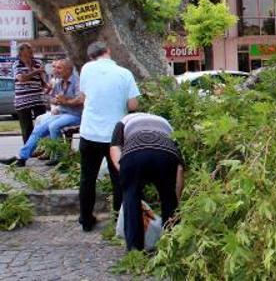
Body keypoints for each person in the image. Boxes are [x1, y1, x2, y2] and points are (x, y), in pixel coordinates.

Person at [77, 41, 140, 232]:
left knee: (87, 177)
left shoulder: (86, 69)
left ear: (91, 56)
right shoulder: (124, 73)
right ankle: (118, 219)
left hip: (89, 133)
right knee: (118, 178)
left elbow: (84, 95)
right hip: (115, 136)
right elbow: (133, 105)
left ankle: (86, 219)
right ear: (108, 52)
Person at [110, 112, 185, 251]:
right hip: (165, 154)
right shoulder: (166, 124)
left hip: (134, 155)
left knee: (131, 198)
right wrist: (176, 200)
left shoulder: (124, 120)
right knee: (168, 198)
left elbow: (114, 148)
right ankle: (172, 245)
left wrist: (126, 175)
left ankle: (134, 250)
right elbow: (179, 169)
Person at [0, 59, 83, 167]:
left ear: (68, 70)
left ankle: (60, 157)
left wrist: (65, 101)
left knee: (54, 126)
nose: (55, 70)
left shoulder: (77, 82)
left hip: (76, 115)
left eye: (59, 68)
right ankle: (21, 158)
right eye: (55, 67)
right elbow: (51, 98)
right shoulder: (59, 83)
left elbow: (81, 100)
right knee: (39, 128)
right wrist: (55, 101)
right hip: (62, 113)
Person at [12, 43, 48, 144]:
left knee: (42, 125)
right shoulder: (17, 63)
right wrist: (36, 72)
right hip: (22, 100)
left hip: (38, 99)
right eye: (29, 49)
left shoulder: (38, 63)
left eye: (31, 48)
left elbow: (41, 80)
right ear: (21, 52)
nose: (32, 50)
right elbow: (21, 78)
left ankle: (43, 148)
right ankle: (29, 150)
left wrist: (47, 86)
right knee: (27, 127)